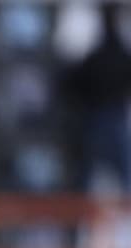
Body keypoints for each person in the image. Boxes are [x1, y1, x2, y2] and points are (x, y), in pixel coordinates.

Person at [60, 2, 131, 193]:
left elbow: (72, 84)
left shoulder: (102, 54)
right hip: (101, 117)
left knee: (93, 177)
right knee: (88, 177)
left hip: (105, 117)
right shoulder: (102, 52)